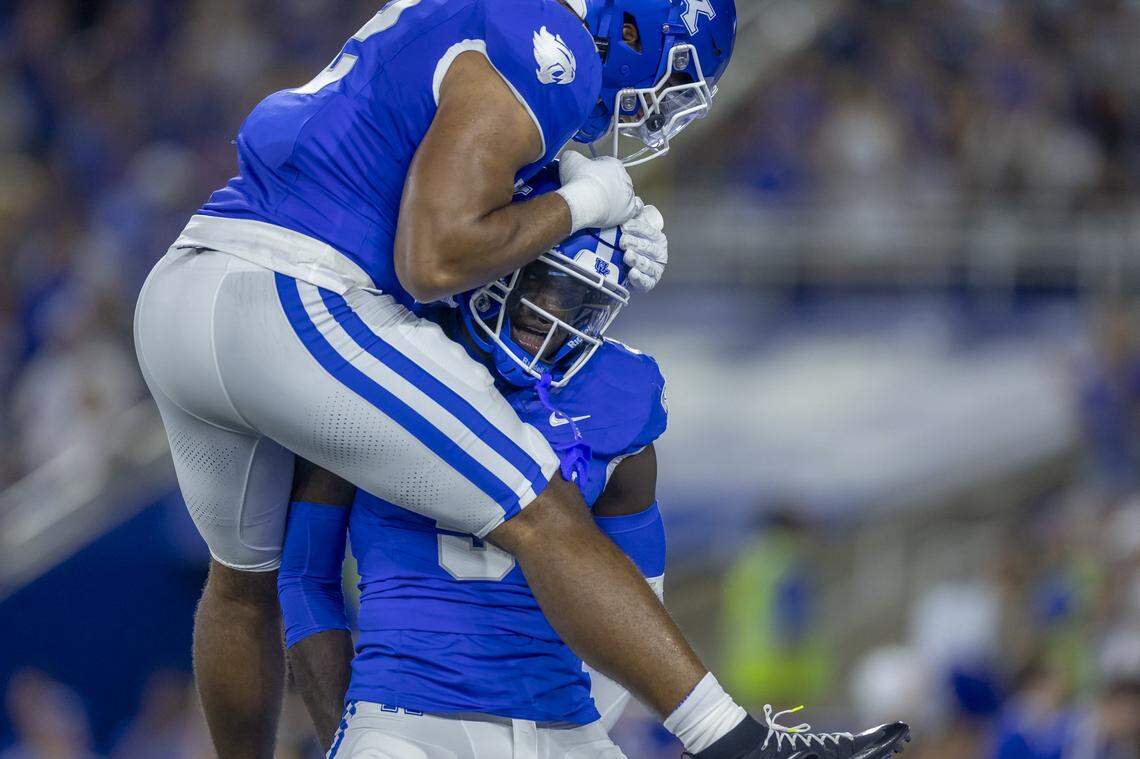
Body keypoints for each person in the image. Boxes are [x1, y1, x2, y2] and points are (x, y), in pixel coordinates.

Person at [276, 167, 912, 758]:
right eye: (546, 289)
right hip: (406, 719)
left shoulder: (617, 409)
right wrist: (349, 733)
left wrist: (583, 732)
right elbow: (306, 580)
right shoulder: (383, 364)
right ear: (498, 264)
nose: (554, 319)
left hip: (560, 725)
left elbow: (640, 602)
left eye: (577, 303)